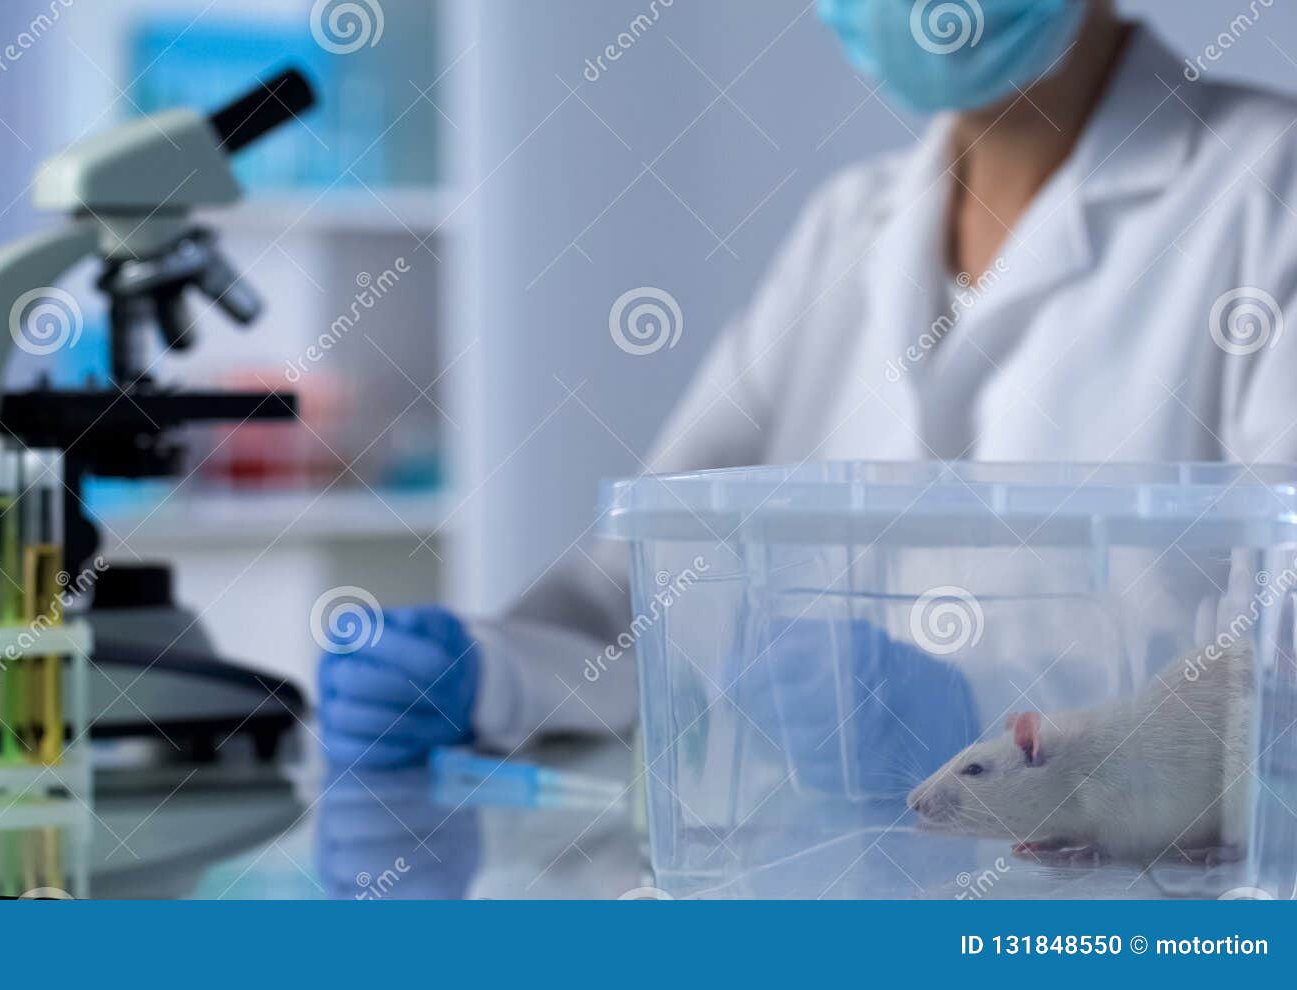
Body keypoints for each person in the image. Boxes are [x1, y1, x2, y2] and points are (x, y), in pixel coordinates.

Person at [317, 0, 1297, 770]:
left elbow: (1279, 669)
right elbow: (648, 583)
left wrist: (990, 713)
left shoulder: (1269, 193)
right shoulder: (847, 226)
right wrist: (495, 671)